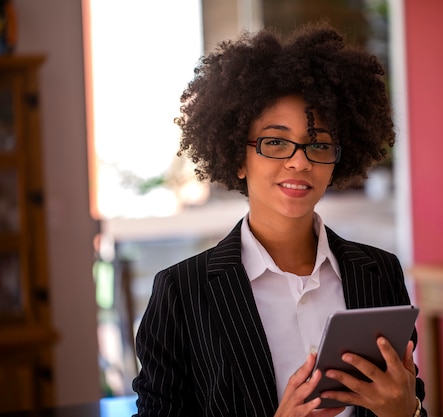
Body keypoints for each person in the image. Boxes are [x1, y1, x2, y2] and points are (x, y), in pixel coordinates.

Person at [132, 21, 427, 417]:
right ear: (238, 157)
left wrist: (406, 413)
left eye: (318, 144)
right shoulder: (182, 294)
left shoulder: (379, 273)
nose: (299, 160)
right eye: (274, 141)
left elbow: (411, 397)